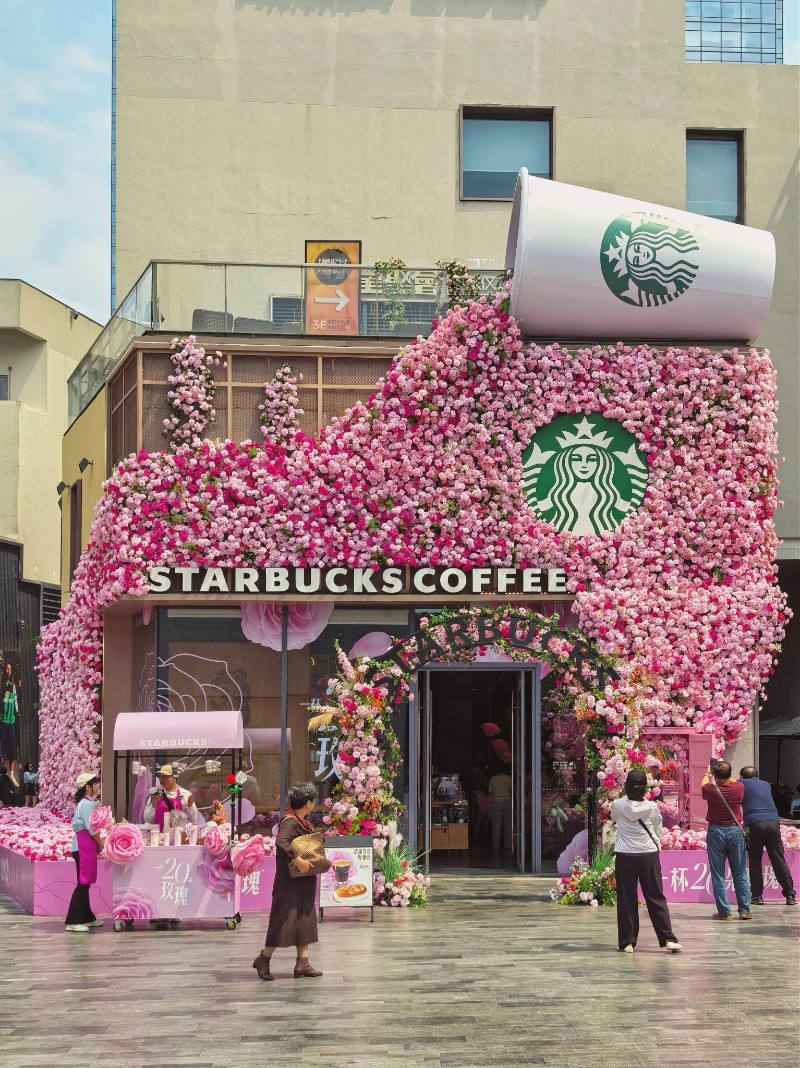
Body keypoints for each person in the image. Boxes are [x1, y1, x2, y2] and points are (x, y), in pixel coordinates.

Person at [253, 781, 322, 981]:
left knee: (304, 917)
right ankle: (263, 958)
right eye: (312, 800)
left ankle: (303, 962)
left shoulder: (301, 820)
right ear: (308, 803)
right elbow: (281, 841)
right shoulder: (291, 821)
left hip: (302, 880)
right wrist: (298, 860)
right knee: (283, 919)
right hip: (290, 881)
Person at [611, 769, 682, 953]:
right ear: (645, 788)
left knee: (626, 898)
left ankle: (627, 942)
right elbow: (657, 829)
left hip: (625, 854)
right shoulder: (652, 807)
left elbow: (614, 819)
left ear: (626, 786)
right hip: (648, 854)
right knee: (655, 896)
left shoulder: (617, 804)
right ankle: (668, 938)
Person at [739, 766, 797, 906]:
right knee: (778, 859)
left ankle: (757, 896)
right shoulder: (765, 784)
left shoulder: (740, 784)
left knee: (755, 860)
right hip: (773, 823)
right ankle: (790, 895)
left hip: (754, 823)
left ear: (742, 776)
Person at [701, 760, 751, 920]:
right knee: (740, 872)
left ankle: (724, 912)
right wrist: (723, 772)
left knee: (717, 874)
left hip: (716, 831)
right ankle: (745, 910)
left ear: (715, 775)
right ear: (730, 774)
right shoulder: (739, 787)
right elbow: (733, 780)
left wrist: (707, 774)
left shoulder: (710, 789)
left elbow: (703, 785)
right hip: (735, 831)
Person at [65, 771, 104, 933]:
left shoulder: (86, 803)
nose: (97, 787)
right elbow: (91, 828)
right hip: (83, 847)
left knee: (85, 883)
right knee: (83, 884)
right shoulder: (87, 804)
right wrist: (100, 843)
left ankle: (87, 917)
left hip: (82, 845)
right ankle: (73, 920)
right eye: (95, 784)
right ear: (88, 787)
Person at [142, 764, 198, 829]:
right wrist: (153, 807)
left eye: (165, 777)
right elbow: (147, 820)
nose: (162, 780)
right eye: (160, 777)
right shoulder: (155, 794)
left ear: (174, 777)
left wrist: (190, 806)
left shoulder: (185, 794)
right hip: (159, 834)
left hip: (177, 834)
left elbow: (192, 819)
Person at [488, 767, 512, 850]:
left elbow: (490, 792)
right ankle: (508, 844)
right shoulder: (509, 778)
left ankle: (496, 845)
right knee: (508, 824)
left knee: (496, 825)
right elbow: (512, 790)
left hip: (496, 801)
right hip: (507, 800)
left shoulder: (492, 779)